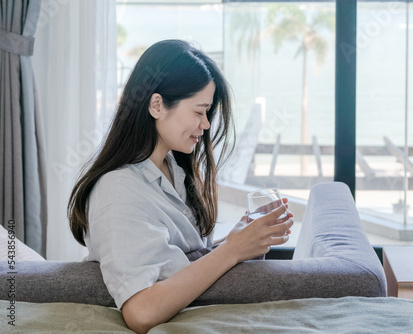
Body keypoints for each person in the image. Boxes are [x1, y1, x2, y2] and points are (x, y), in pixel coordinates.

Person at [67, 40, 293, 334]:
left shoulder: (171, 167)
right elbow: (141, 311)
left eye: (208, 113)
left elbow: (177, 262)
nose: (206, 125)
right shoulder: (118, 192)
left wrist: (240, 240)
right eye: (199, 112)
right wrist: (232, 251)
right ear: (157, 105)